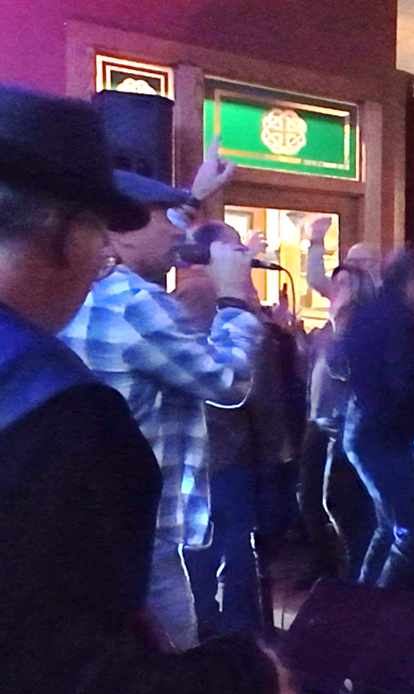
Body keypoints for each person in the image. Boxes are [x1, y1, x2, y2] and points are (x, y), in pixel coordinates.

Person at [0, 84, 294, 694]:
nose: (104, 256)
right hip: (141, 548)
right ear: (70, 235)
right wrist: (252, 684)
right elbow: (78, 687)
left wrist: (195, 195)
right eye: (103, 232)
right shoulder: (66, 412)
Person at [60, 146, 264, 651]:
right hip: (141, 528)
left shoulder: (73, 291)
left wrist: (194, 195)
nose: (179, 232)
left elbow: (155, 231)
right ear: (120, 230)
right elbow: (228, 382)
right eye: (163, 218)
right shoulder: (136, 304)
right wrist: (234, 298)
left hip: (86, 515)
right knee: (172, 663)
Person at [173, 221, 305, 639]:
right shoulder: (201, 295)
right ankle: (226, 640)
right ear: (209, 254)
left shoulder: (223, 295)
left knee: (232, 548)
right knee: (226, 550)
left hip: (232, 447)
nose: (246, 256)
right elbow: (222, 376)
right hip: (223, 448)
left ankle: (228, 635)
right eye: (235, 249)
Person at [341, 246, 414, 591]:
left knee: (390, 526)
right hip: (383, 436)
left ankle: (362, 603)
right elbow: (402, 384)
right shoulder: (400, 320)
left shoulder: (371, 311)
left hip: (363, 428)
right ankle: (381, 609)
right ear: (412, 280)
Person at [300, 263, 377, 583]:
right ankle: (327, 572)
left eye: (344, 283)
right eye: (336, 283)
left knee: (340, 503)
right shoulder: (330, 327)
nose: (336, 289)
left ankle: (353, 578)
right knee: (310, 498)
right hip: (318, 421)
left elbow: (343, 368)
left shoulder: (357, 326)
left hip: (340, 426)